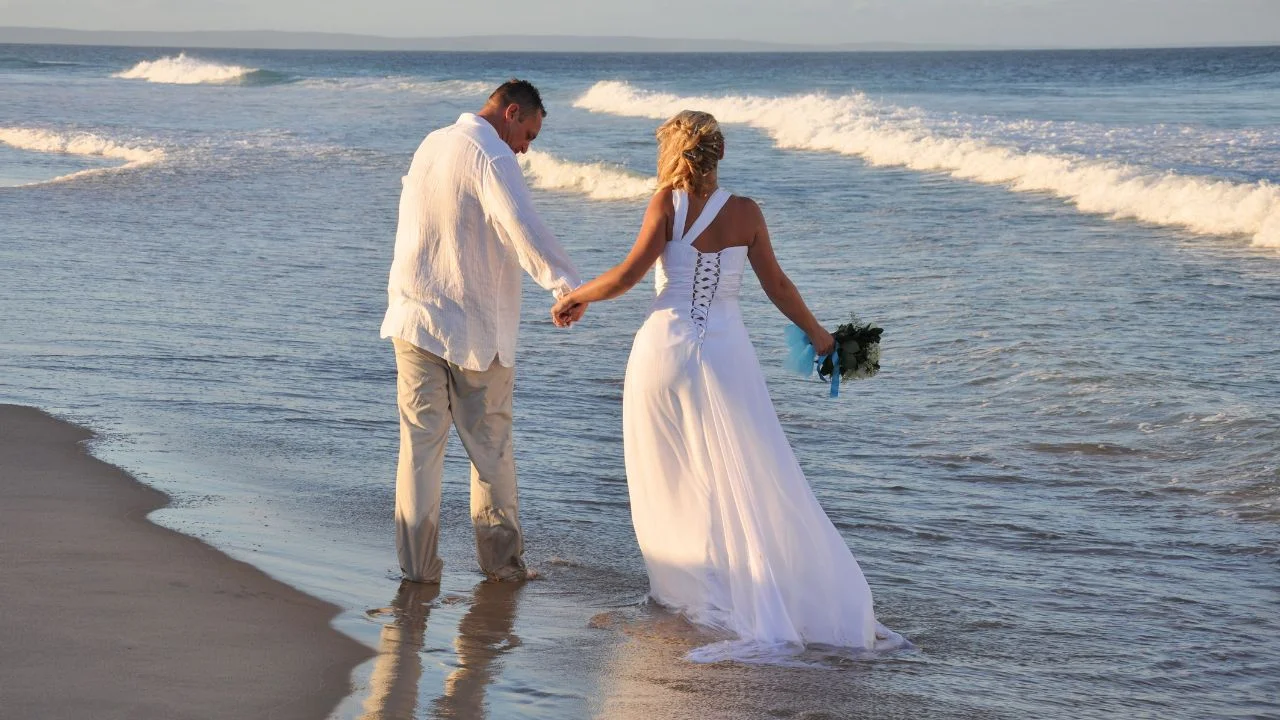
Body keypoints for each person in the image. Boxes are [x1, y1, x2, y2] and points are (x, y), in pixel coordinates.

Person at [552, 110, 902, 661]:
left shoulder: (666, 204)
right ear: (720, 154)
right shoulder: (747, 213)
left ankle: (693, 591)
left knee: (672, 474)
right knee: (753, 469)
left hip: (663, 351)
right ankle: (758, 589)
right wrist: (823, 338)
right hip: (727, 353)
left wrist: (577, 297)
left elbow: (626, 276)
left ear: (673, 152)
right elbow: (779, 286)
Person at [381, 79, 582, 584]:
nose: (526, 147)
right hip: (473, 328)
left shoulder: (431, 143)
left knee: (419, 450)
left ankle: (417, 570)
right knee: (490, 451)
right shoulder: (492, 155)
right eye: (529, 134)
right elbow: (522, 225)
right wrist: (565, 287)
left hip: (413, 317)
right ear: (511, 113)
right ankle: (502, 568)